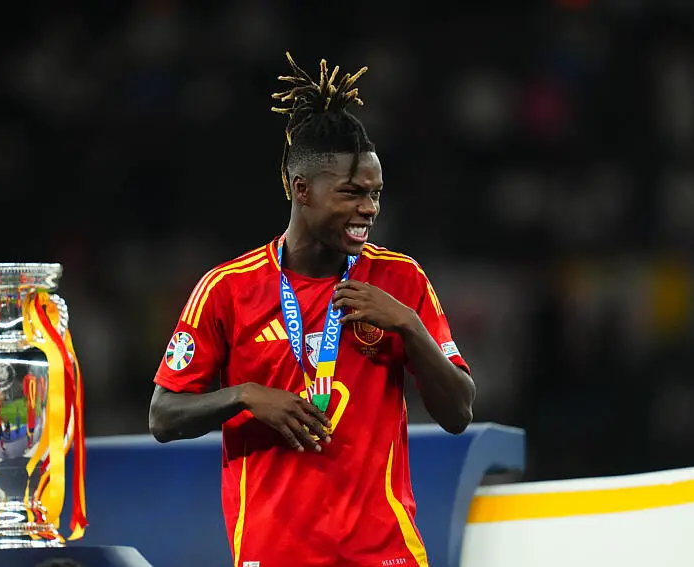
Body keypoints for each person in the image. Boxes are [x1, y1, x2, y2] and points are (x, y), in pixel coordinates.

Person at [149, 52, 476, 567]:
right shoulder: (228, 289)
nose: (369, 208)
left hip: (383, 552)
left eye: (375, 194)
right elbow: (163, 416)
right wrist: (244, 396)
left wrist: (410, 327)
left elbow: (459, 413)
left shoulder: (400, 279)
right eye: (351, 193)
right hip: (275, 552)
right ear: (302, 189)